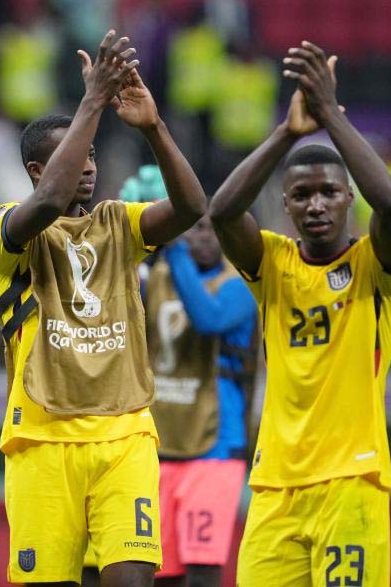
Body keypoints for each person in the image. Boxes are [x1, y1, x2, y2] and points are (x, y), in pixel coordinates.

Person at [0, 30, 206, 585]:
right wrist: (93, 101)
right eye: (72, 155)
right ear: (37, 171)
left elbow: (192, 207)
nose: (87, 165)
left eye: (92, 154)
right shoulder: (4, 227)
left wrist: (152, 126)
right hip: (41, 437)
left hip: (124, 432)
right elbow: (52, 202)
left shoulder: (117, 222)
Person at [209, 41, 391, 587]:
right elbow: (222, 212)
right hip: (274, 486)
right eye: (301, 195)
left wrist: (329, 118)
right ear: (287, 205)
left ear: (349, 198)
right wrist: (287, 134)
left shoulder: (376, 264)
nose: (316, 205)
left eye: (328, 192)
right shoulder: (273, 262)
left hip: (352, 482)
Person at [144, 216, 257, 586]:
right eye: (191, 227)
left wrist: (173, 247)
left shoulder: (240, 285)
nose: (201, 236)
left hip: (216, 448)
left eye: (211, 227)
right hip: (163, 443)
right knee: (162, 572)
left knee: (203, 570)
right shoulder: (158, 278)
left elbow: (209, 318)